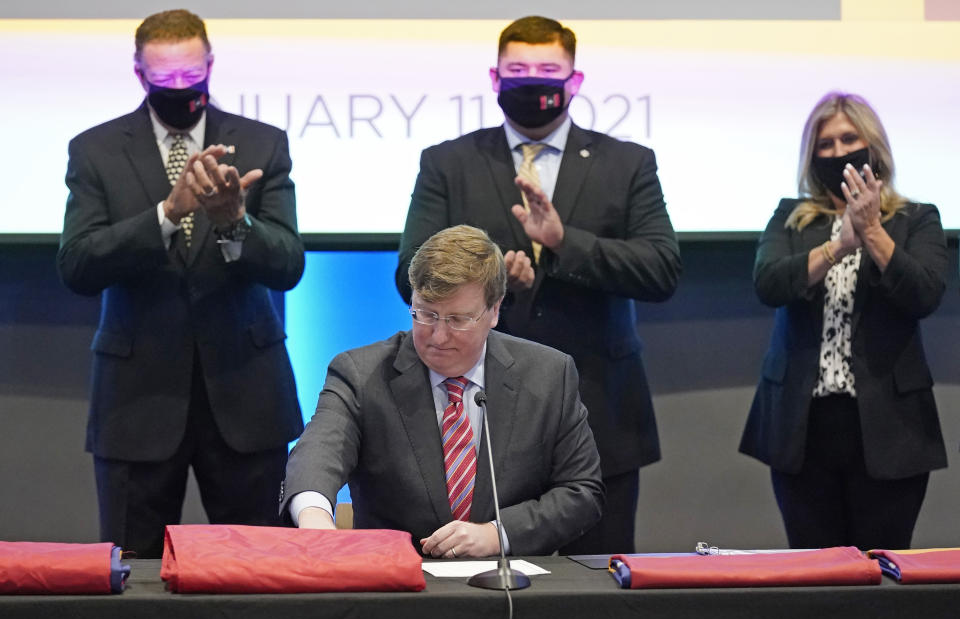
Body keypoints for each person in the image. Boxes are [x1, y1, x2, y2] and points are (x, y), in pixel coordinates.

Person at [394, 16, 680, 555]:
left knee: (598, 591)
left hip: (601, 410)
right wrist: (487, 278)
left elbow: (662, 267)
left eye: (548, 70)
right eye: (518, 70)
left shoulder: (627, 163)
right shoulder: (448, 162)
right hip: (473, 417)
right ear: (494, 78)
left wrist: (564, 241)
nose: (533, 81)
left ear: (574, 81)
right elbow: (409, 265)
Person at [57, 10, 305, 558]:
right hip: (136, 401)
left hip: (246, 394)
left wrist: (234, 223)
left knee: (261, 571)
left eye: (190, 77)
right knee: (132, 572)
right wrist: (166, 214)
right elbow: (77, 264)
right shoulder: (95, 150)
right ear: (139, 72)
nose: (179, 89)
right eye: (164, 79)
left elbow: (288, 263)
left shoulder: (263, 143)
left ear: (211, 65)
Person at [282, 225, 604, 557]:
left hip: (511, 584)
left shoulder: (548, 375)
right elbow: (318, 454)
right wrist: (315, 519)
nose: (438, 336)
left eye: (457, 319)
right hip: (397, 584)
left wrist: (497, 535)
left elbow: (582, 492)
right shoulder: (361, 374)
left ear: (494, 311)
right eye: (426, 314)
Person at [740, 92, 948, 550]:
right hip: (804, 426)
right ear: (813, 156)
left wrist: (872, 231)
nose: (838, 152)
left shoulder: (916, 219)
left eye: (849, 139)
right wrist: (839, 246)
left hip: (889, 427)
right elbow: (769, 284)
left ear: (873, 144)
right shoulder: (791, 217)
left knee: (882, 568)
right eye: (826, 143)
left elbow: (923, 294)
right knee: (816, 572)